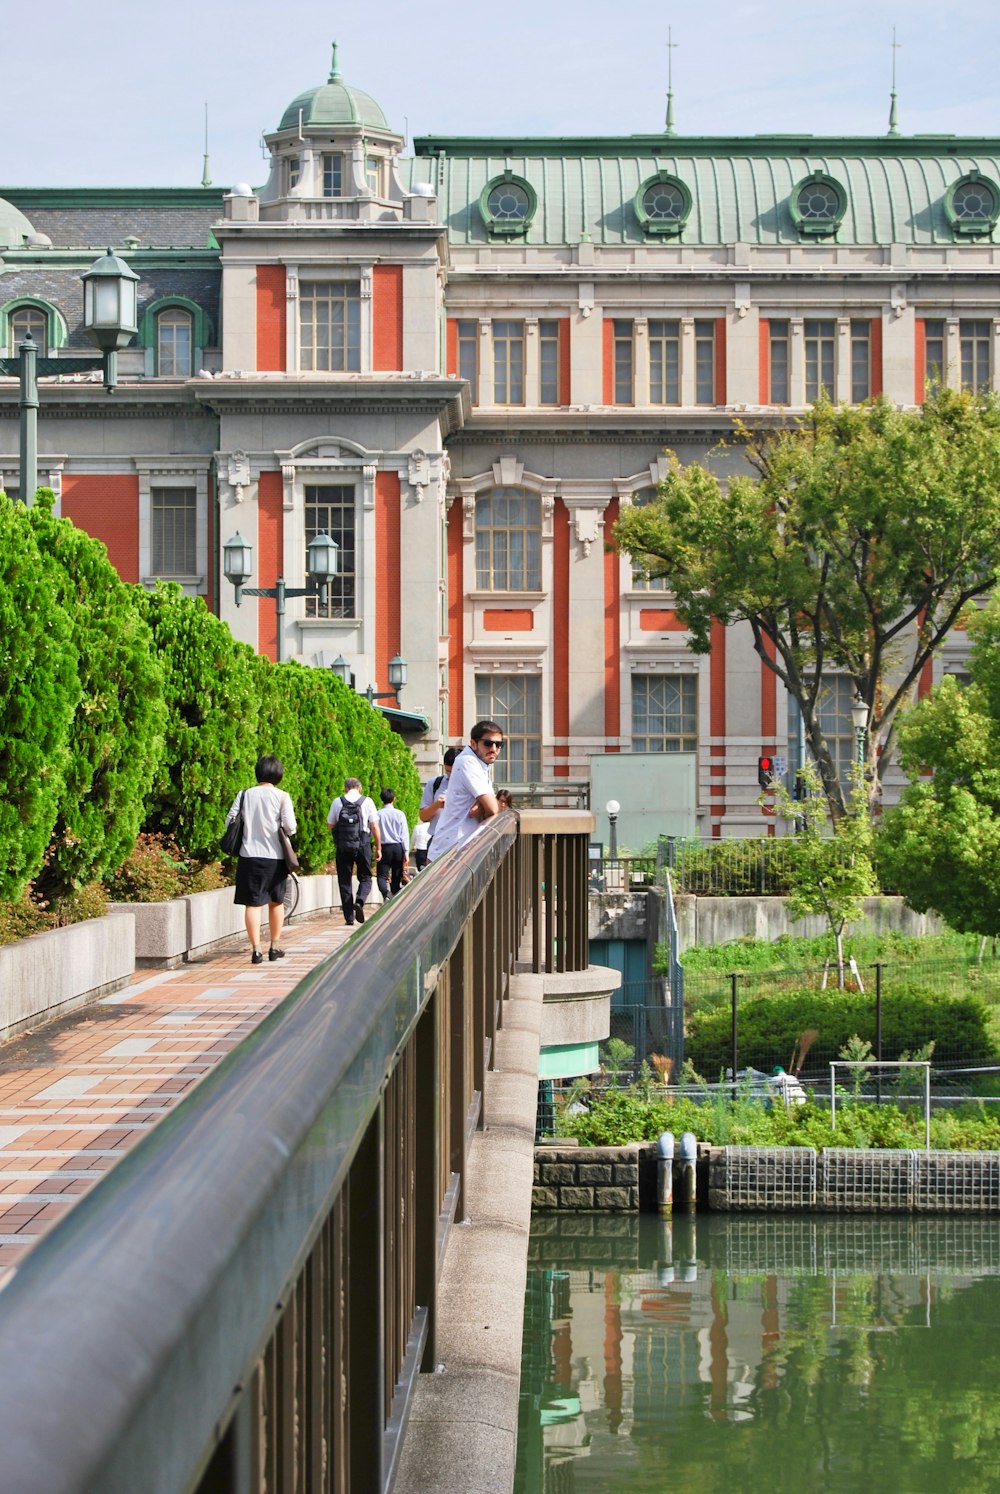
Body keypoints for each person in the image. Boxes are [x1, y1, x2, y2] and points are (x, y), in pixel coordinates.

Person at [226, 755, 297, 965]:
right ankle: (274, 947)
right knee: (276, 903)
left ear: (258, 772)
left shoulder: (244, 794)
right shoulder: (282, 796)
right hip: (275, 858)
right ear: (278, 774)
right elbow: (291, 828)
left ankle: (256, 950)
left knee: (253, 903)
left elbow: (229, 820)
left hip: (249, 856)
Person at [427, 722, 503, 862]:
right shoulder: (468, 762)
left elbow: (491, 807)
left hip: (460, 849)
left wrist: (484, 805)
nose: (494, 749)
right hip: (450, 852)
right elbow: (493, 809)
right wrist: (487, 805)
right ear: (473, 743)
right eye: (488, 743)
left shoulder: (481, 764)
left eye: (499, 745)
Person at [328, 777, 381, 925]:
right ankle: (360, 900)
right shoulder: (367, 801)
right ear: (360, 788)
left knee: (344, 881)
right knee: (366, 877)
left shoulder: (337, 802)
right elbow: (375, 827)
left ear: (345, 789)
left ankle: (349, 918)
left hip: (343, 845)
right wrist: (378, 847)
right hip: (363, 844)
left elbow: (330, 825)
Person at [418, 746, 457, 853]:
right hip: (437, 839)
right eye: (448, 771)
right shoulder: (435, 783)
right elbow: (423, 816)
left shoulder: (470, 784)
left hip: (461, 840)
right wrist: (437, 805)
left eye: (455, 771)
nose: (451, 775)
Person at [376, 787, 410, 900]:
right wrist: (406, 852)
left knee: (381, 876)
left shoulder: (378, 814)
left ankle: (386, 893)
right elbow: (404, 834)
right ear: (394, 799)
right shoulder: (400, 814)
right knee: (396, 878)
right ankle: (394, 900)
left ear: (382, 799)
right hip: (397, 848)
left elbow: (373, 833)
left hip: (384, 848)